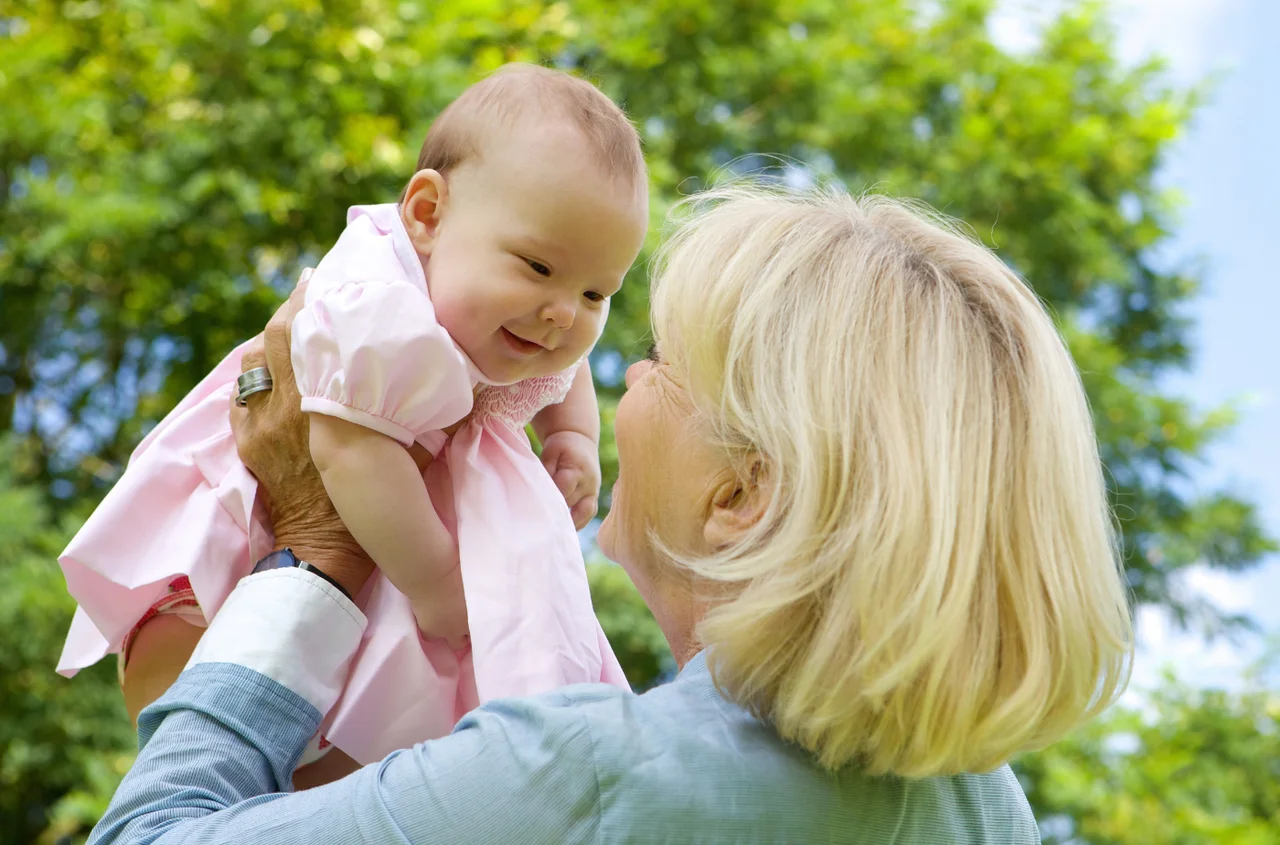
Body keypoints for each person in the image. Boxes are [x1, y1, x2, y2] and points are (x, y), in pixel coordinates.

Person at [88, 185, 1134, 844]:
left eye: (665, 364)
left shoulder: (583, 777)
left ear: (741, 496)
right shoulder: (982, 806)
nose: (622, 373)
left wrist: (313, 556)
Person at [55, 64, 649, 776]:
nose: (564, 314)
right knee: (218, 654)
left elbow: (567, 368)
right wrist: (435, 584)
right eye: (538, 267)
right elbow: (347, 449)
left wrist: (572, 436)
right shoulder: (375, 305)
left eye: (595, 291)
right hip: (281, 522)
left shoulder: (516, 312)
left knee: (395, 721)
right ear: (426, 214)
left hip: (393, 522)